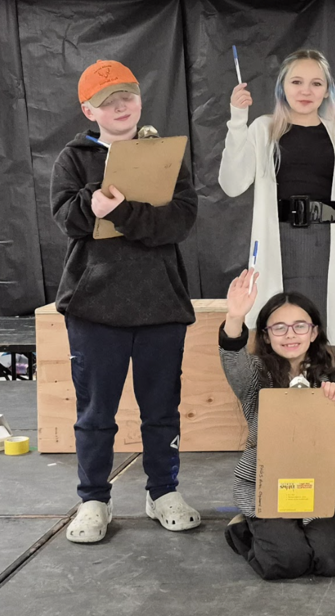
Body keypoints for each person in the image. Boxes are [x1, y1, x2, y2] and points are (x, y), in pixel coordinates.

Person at [51, 59, 201, 543]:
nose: (121, 107)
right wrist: (88, 206)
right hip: (95, 306)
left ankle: (163, 491)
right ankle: (93, 499)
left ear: (139, 100)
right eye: (108, 101)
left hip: (160, 303)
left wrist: (125, 213)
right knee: (96, 413)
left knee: (162, 407)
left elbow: (179, 221)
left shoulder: (165, 153)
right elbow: (66, 219)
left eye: (128, 97)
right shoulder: (73, 160)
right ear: (88, 109)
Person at [219, 48, 335, 346]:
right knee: (278, 331)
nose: (306, 91)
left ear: (327, 91)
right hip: (278, 241)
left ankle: (316, 392)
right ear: (282, 88)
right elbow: (232, 184)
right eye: (296, 82)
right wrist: (237, 120)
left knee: (319, 334)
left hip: (328, 244)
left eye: (316, 83)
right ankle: (278, 393)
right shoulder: (263, 129)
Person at [219, 269, 335, 580]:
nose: (290, 334)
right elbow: (234, 363)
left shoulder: (330, 381)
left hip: (314, 488)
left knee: (332, 562)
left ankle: (318, 532)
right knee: (288, 563)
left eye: (299, 326)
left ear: (313, 332)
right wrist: (235, 316)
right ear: (266, 336)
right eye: (279, 327)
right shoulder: (257, 374)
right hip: (264, 486)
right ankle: (243, 529)